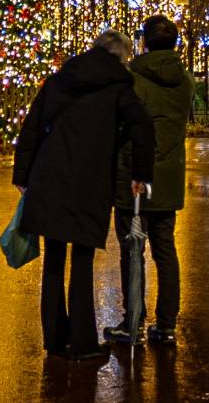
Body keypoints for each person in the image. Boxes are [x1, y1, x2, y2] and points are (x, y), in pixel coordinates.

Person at [13, 30, 154, 362]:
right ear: (120, 58)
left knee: (53, 260)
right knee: (82, 260)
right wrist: (140, 174)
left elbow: (32, 127)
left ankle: (54, 338)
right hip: (89, 181)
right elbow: (143, 129)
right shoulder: (120, 88)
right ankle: (83, 343)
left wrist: (22, 176)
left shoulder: (60, 80)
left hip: (49, 178)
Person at [107, 15, 194, 348]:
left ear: (143, 42)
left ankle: (133, 323)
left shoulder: (132, 80)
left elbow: (122, 127)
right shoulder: (185, 81)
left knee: (133, 251)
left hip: (135, 177)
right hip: (168, 179)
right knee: (165, 251)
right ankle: (167, 325)